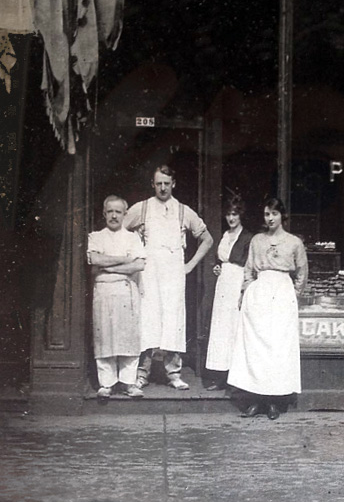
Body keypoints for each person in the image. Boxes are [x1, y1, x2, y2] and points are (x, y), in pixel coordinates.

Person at [124, 165, 213, 390]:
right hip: (149, 272)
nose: (162, 188)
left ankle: (173, 373)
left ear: (174, 183)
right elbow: (120, 233)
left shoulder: (184, 211)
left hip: (173, 273)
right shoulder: (141, 208)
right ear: (152, 184)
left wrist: (190, 265)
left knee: (173, 321)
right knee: (148, 320)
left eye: (167, 183)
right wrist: (134, 256)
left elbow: (208, 239)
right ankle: (142, 373)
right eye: (158, 183)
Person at [227, 197, 308, 419]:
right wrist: (245, 293)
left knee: (277, 348)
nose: (269, 218)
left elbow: (301, 273)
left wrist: (293, 296)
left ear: (282, 215)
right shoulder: (257, 240)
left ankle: (274, 401)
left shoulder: (294, 243)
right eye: (266, 214)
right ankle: (256, 400)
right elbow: (249, 270)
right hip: (259, 294)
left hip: (282, 295)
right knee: (256, 348)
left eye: (274, 214)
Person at [87, 195, 147, 398]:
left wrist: (107, 267)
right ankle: (107, 383)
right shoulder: (95, 236)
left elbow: (139, 265)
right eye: (110, 211)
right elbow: (95, 258)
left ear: (124, 214)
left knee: (128, 336)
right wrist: (123, 260)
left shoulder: (132, 238)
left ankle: (128, 382)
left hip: (126, 292)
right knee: (105, 335)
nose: (114, 215)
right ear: (104, 214)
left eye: (118, 212)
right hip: (104, 293)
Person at [205, 195, 253, 390]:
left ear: (241, 215)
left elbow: (249, 266)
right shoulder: (225, 236)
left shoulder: (248, 237)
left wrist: (243, 290)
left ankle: (236, 379)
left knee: (235, 328)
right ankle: (220, 375)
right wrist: (218, 267)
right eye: (228, 214)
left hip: (237, 284)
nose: (231, 218)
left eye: (234, 214)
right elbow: (222, 260)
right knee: (221, 329)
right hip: (223, 284)